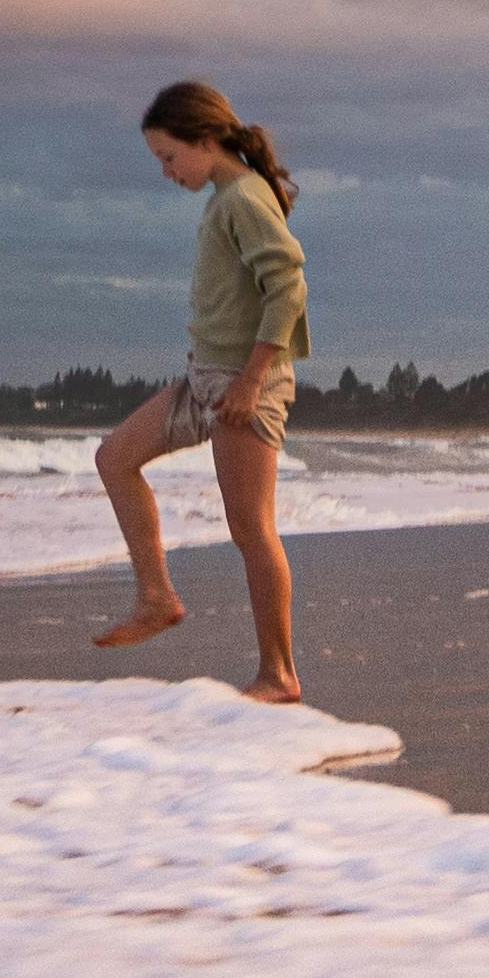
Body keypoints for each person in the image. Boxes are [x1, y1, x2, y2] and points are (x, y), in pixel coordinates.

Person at [89, 75, 312, 704]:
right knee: (114, 458)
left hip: (247, 384)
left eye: (169, 156)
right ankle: (157, 597)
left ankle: (279, 674)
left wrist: (249, 381)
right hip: (206, 378)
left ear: (206, 138)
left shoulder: (243, 196)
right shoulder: (224, 198)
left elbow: (288, 288)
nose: (166, 172)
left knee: (251, 529)